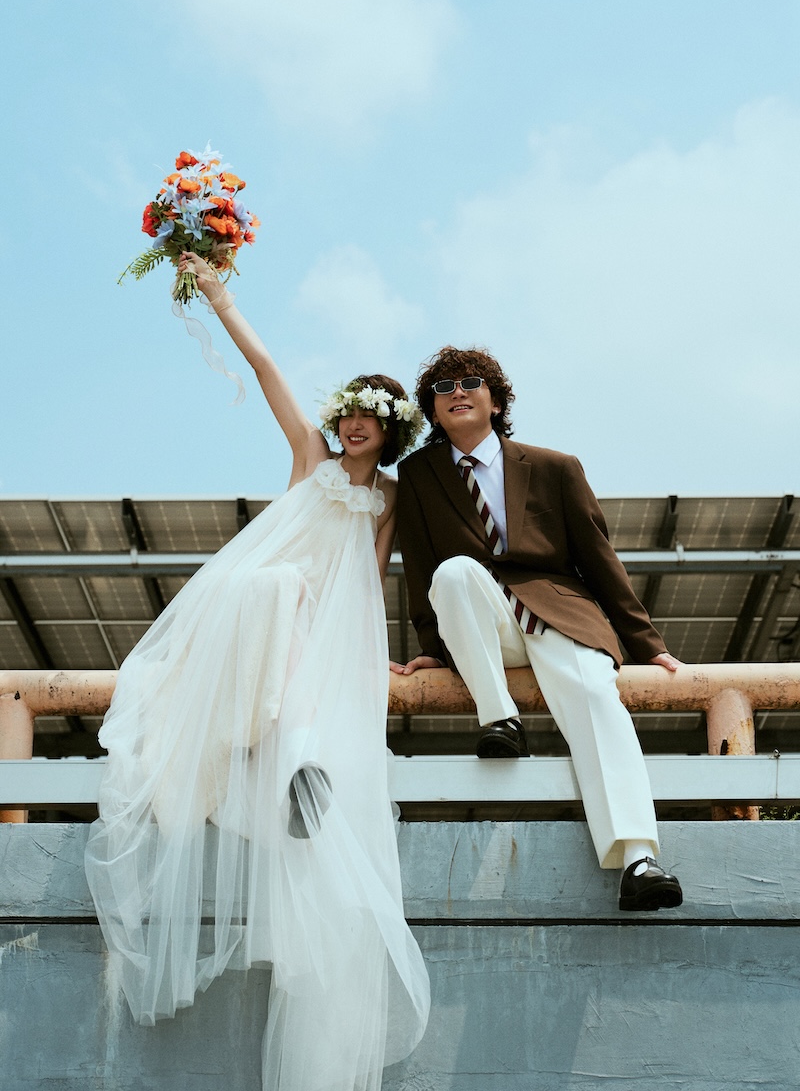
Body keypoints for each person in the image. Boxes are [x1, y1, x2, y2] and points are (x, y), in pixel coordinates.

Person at [85, 254, 430, 1091]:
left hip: (314, 631)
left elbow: (370, 577)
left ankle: (298, 779)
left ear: (391, 433)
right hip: (251, 600)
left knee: (309, 637)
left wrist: (378, 652)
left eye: (371, 419)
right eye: (349, 413)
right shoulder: (310, 456)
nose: (355, 426)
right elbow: (266, 364)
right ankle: (293, 764)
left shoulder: (387, 500)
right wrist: (218, 294)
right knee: (285, 589)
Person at [393, 345, 683, 913]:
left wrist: (648, 645)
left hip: (560, 614)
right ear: (432, 411)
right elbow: (422, 569)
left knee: (595, 698)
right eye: (443, 388)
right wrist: (435, 647)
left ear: (496, 402)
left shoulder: (555, 467)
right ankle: (500, 720)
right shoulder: (418, 476)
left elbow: (599, 559)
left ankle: (638, 860)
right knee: (452, 571)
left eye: (470, 383)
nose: (457, 392)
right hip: (486, 622)